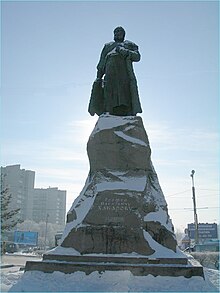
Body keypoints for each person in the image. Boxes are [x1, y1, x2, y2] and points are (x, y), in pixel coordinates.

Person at [88, 26, 142, 116]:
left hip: (124, 71)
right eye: (116, 32)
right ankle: (108, 111)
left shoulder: (130, 44)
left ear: (123, 34)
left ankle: (126, 111)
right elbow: (101, 62)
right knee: (109, 90)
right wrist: (98, 76)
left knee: (124, 90)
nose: (117, 34)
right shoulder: (108, 46)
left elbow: (137, 57)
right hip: (110, 71)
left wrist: (125, 52)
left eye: (119, 32)